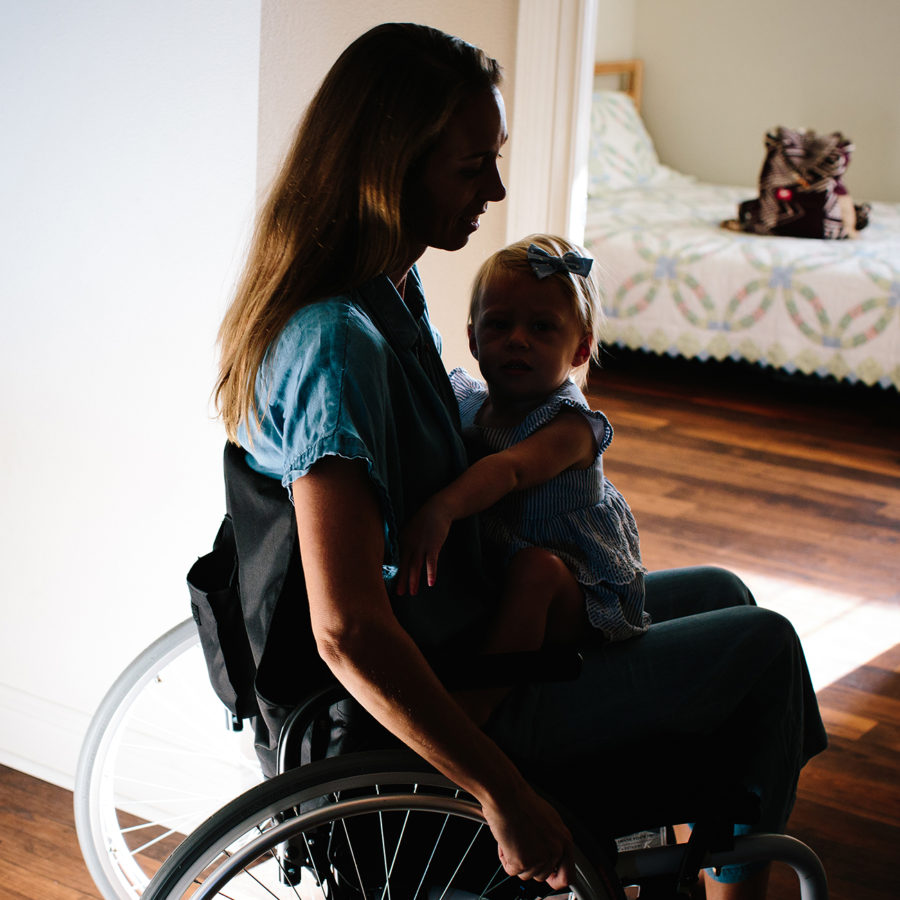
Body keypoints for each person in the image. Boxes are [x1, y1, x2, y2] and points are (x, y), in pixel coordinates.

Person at [214, 22, 826, 899]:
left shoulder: (391, 283)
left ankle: (710, 853)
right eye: (471, 168)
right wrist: (498, 789)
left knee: (726, 595)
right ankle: (725, 865)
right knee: (763, 650)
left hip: (475, 619)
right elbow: (346, 632)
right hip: (460, 688)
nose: (496, 187)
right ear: (391, 170)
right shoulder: (333, 344)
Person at [397, 235, 648, 720]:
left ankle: (477, 707)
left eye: (541, 327)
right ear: (472, 338)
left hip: (573, 591)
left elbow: (508, 470)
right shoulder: (467, 400)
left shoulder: (570, 426)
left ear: (580, 350)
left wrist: (442, 507)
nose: (517, 339)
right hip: (500, 571)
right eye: (499, 324)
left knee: (537, 569)